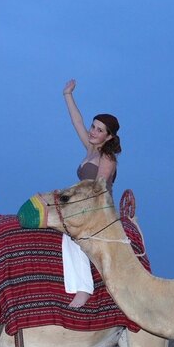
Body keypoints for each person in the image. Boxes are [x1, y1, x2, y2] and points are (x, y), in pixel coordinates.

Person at [61, 79, 121, 307]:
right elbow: (76, 120)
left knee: (73, 236)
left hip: (98, 210)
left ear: (109, 137)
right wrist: (67, 95)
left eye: (99, 130)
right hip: (82, 206)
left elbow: (98, 190)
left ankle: (84, 290)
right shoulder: (89, 149)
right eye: (93, 127)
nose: (93, 131)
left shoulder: (107, 158)